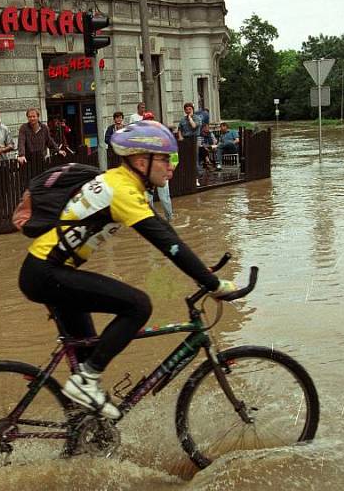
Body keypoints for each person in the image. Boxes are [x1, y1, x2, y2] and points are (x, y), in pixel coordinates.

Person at [18, 120, 237, 420]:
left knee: (91, 360)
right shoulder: (121, 191)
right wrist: (213, 284)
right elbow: (167, 244)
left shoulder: (121, 183)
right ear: (139, 160)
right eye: (165, 158)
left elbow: (164, 230)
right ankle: (85, 384)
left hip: (48, 272)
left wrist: (203, 271)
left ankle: (85, 434)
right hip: (46, 273)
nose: (171, 166)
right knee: (138, 305)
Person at [142, 111, 173, 221]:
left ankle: (170, 220)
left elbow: (173, 152)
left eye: (150, 119)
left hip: (161, 170)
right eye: (147, 120)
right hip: (148, 172)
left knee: (164, 198)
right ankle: (153, 220)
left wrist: (172, 166)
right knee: (148, 199)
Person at [177, 102, 202, 183]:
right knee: (185, 159)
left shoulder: (197, 118)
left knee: (194, 158)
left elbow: (194, 126)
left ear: (192, 110)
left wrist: (190, 118)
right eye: (186, 109)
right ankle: (187, 178)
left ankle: (196, 179)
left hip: (194, 139)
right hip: (185, 139)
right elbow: (180, 129)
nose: (188, 111)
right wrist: (180, 136)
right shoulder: (182, 119)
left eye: (189, 109)